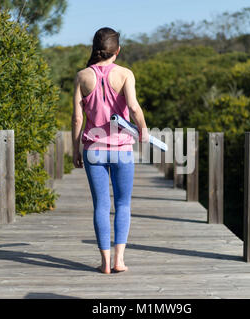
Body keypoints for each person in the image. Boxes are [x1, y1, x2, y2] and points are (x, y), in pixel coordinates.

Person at [72, 27, 149, 274]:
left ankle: (104, 262)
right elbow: (134, 108)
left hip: (93, 149)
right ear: (117, 50)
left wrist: (75, 149)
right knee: (123, 204)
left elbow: (76, 118)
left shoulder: (82, 76)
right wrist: (144, 130)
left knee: (101, 206)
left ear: (95, 49)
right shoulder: (126, 74)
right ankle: (119, 260)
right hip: (122, 148)